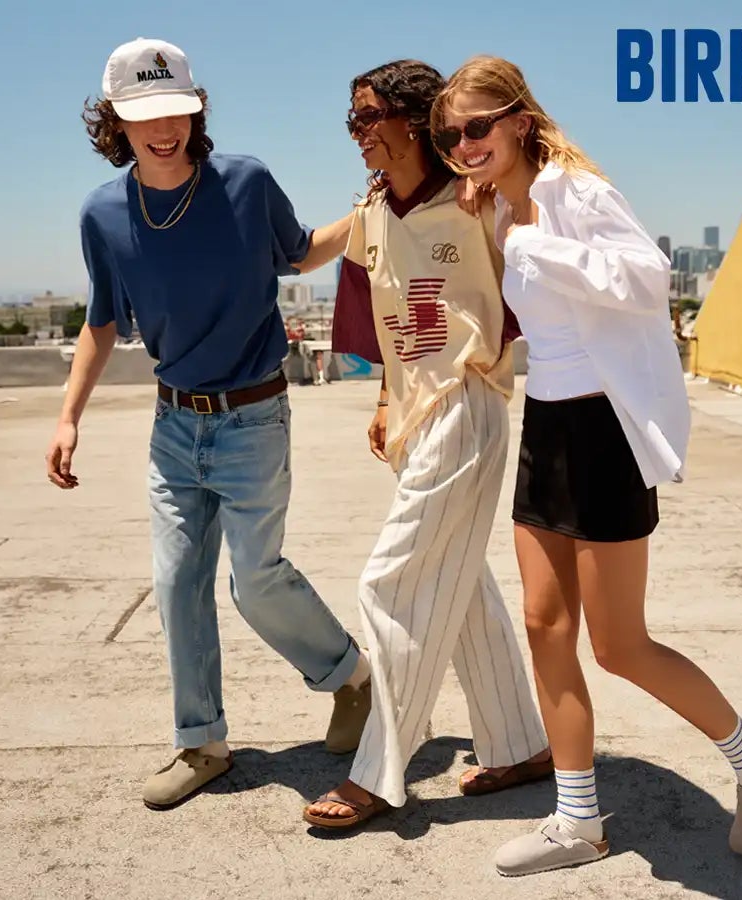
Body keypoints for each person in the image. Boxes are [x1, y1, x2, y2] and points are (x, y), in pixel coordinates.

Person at [433, 56, 742, 875]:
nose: (464, 146)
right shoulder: (500, 205)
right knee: (543, 625)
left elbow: (645, 279)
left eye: (477, 127)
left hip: (604, 430)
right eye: (451, 137)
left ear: (520, 120)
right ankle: (579, 822)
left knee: (620, 644)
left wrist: (531, 242)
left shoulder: (574, 193)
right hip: (547, 422)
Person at [47, 37, 371, 812]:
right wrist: (68, 418)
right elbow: (101, 323)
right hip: (172, 426)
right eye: (145, 116)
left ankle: (351, 678)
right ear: (116, 123)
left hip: (254, 417)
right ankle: (202, 742)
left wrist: (369, 214)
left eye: (177, 111)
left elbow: (301, 253)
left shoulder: (246, 183)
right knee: (176, 585)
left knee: (254, 580)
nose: (165, 129)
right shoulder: (103, 214)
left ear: (196, 111)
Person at [290, 59, 554, 831]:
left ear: (414, 120)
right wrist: (383, 398)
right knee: (458, 587)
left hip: (466, 406)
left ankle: (379, 772)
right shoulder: (373, 212)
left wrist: (492, 182)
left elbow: (539, 218)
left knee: (393, 584)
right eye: (352, 120)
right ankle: (521, 745)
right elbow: (323, 270)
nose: (358, 134)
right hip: (412, 418)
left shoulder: (476, 200)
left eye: (369, 117)